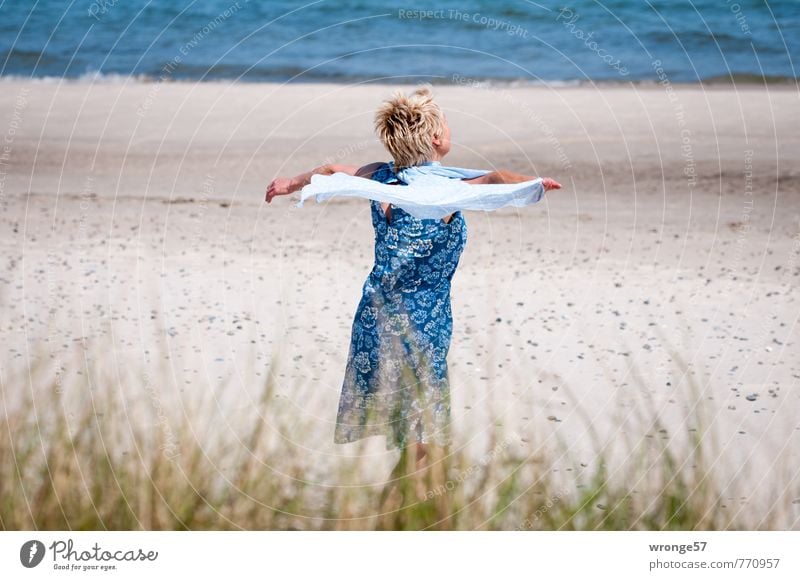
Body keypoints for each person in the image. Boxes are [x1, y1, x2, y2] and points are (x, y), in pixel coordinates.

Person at [266, 87, 561, 523]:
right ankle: (395, 520)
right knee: (425, 436)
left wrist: (289, 183)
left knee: (415, 433)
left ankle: (399, 516)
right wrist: (536, 185)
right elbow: (497, 178)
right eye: (445, 125)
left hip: (373, 317)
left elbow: (330, 170)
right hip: (420, 326)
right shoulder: (447, 190)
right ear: (438, 138)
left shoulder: (378, 176)